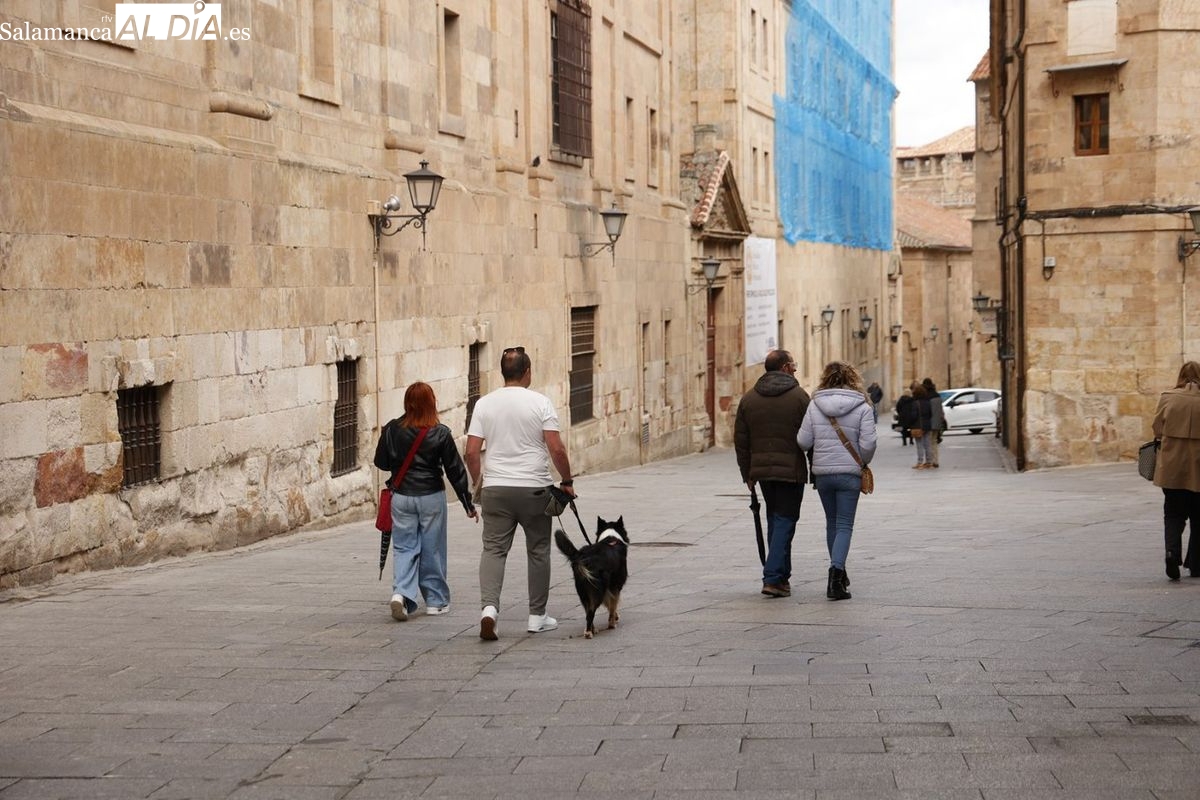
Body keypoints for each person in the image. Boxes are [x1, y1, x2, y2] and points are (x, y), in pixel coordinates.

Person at [466, 346, 575, 640]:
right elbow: (556, 448)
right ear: (527, 372)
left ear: (503, 372)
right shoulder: (541, 403)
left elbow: (471, 452)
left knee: (493, 550)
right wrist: (567, 480)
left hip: (496, 488)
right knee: (538, 550)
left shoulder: (484, 404)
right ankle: (537, 616)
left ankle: (489, 609)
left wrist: (479, 483)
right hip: (534, 488)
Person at [373, 382, 478, 621]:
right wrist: (467, 503)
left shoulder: (391, 429)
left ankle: (401, 593)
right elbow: (455, 470)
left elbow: (381, 463)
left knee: (404, 547)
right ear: (432, 403)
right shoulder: (440, 433)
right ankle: (435, 601)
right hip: (431, 497)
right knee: (433, 547)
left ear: (407, 403)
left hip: (402, 496)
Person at [734, 350, 812, 598]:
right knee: (785, 520)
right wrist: (815, 467)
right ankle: (773, 576)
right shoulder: (800, 397)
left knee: (775, 519)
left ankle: (781, 578)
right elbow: (813, 436)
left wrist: (747, 473)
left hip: (762, 472)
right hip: (791, 471)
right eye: (794, 366)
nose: (796, 370)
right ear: (786, 368)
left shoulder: (749, 399)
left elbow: (741, 441)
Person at [797, 361, 876, 600]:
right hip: (849, 473)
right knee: (844, 525)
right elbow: (869, 444)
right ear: (853, 378)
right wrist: (862, 460)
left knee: (832, 523)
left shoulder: (815, 405)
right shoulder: (863, 406)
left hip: (823, 474)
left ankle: (839, 572)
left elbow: (803, 441)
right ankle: (836, 577)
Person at [1152, 361, 1200, 581]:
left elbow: (1157, 428)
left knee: (1173, 513)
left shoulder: (1168, 397)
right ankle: (1196, 563)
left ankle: (1172, 552)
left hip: (1172, 466)